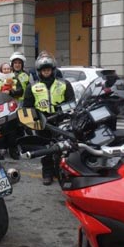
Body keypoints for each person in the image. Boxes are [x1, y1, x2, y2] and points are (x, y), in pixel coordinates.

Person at [23, 55, 75, 185]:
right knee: (45, 148)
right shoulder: (33, 87)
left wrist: (62, 110)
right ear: (39, 71)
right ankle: (47, 172)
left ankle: (62, 171)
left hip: (61, 120)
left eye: (48, 69)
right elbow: (27, 107)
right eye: (43, 70)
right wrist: (29, 124)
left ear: (53, 70)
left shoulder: (63, 84)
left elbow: (72, 102)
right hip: (43, 121)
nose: (46, 72)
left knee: (64, 147)